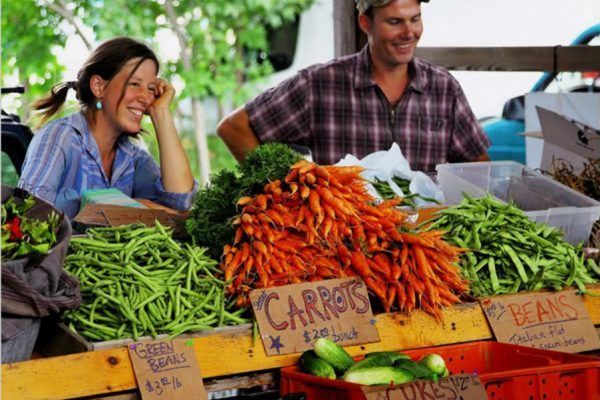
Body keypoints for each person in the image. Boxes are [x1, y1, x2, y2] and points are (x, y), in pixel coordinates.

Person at [217, 0, 490, 173]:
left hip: (425, 244)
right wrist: (283, 190)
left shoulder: (443, 89)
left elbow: (479, 168)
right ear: (365, 23)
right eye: (395, 22)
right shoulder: (320, 85)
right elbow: (234, 128)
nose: (409, 32)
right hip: (344, 245)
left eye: (415, 18)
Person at [18, 37, 196, 218]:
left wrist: (162, 113)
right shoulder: (59, 137)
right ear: (98, 87)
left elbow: (180, 204)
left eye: (151, 88)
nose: (145, 97)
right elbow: (28, 216)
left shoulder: (131, 157)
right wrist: (130, 207)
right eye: (134, 84)